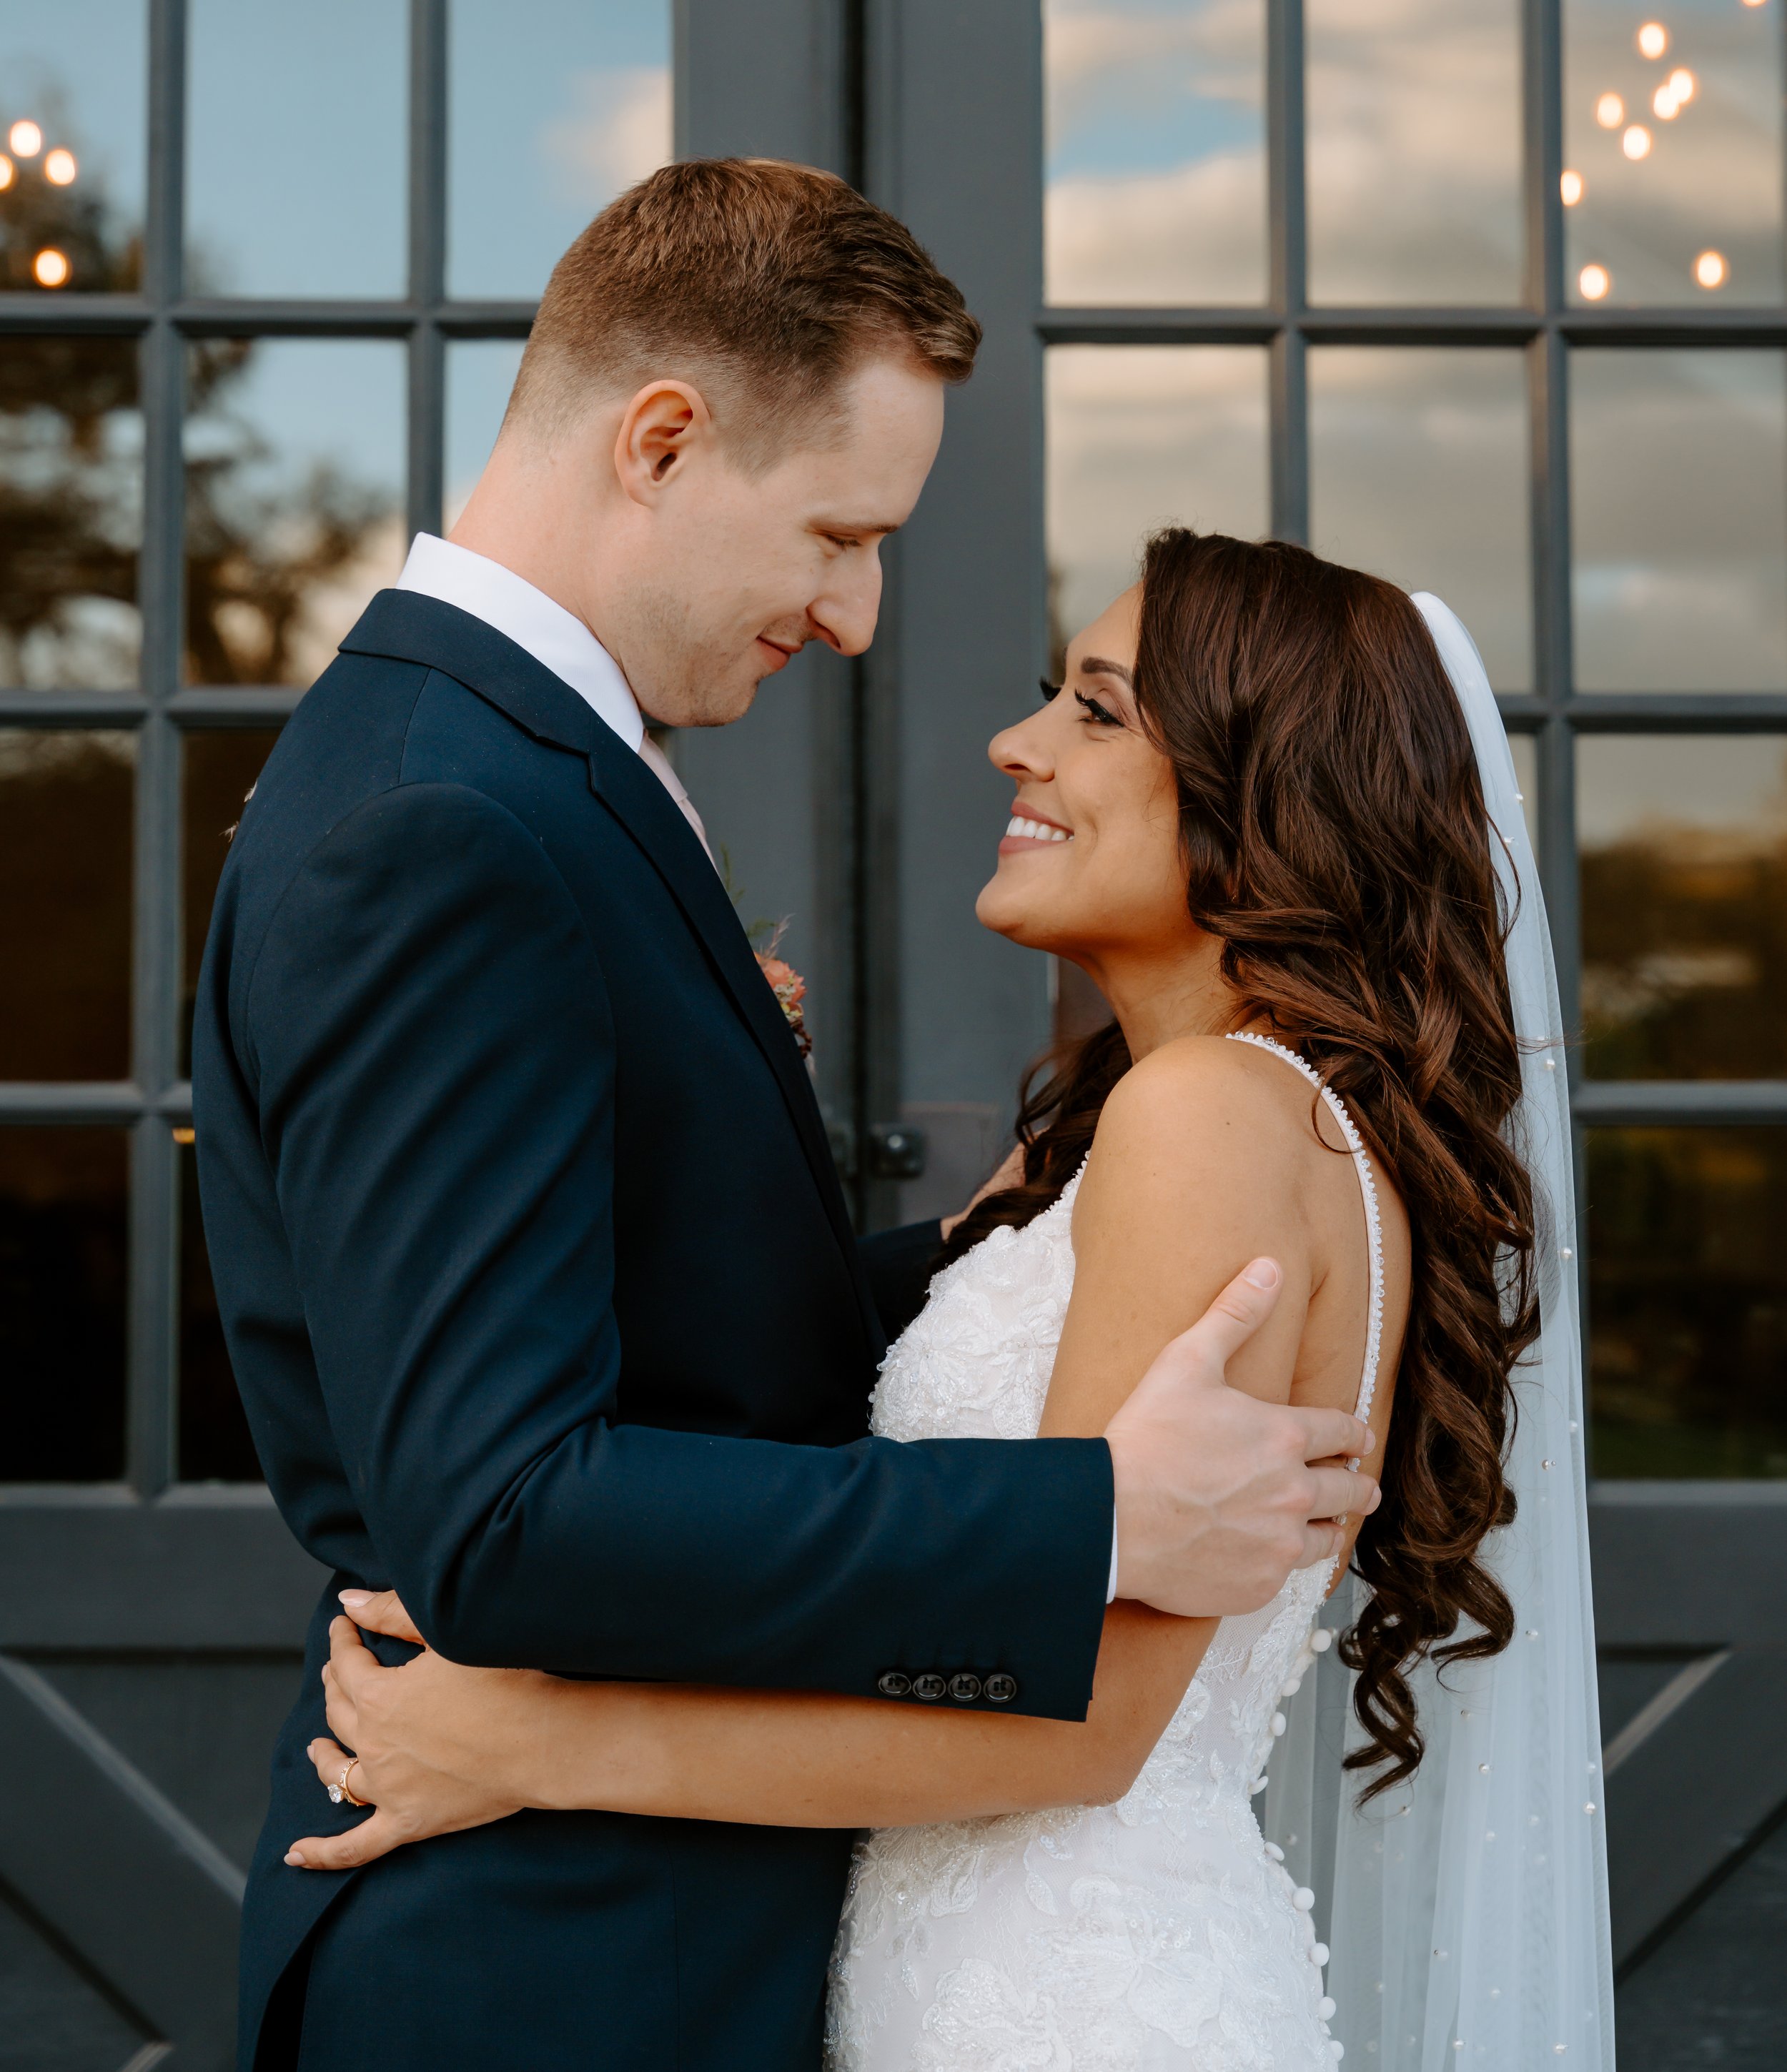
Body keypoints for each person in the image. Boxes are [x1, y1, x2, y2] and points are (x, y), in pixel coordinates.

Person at [192, 164, 1378, 2072]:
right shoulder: (447, 817)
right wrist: (1089, 1513)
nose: (854, 613)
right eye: (839, 533)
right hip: (550, 1972)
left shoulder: (514, 769)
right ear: (659, 440)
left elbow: (666, 1324)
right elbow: (502, 1509)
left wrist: (1008, 1252)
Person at [282, 534, 1616, 2068]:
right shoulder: (1183, 1125)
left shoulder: (1211, 1120)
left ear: (1274, 797)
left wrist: (534, 1744)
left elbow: (1085, 1723)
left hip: (1074, 2010)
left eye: (1096, 711)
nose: (1015, 741)